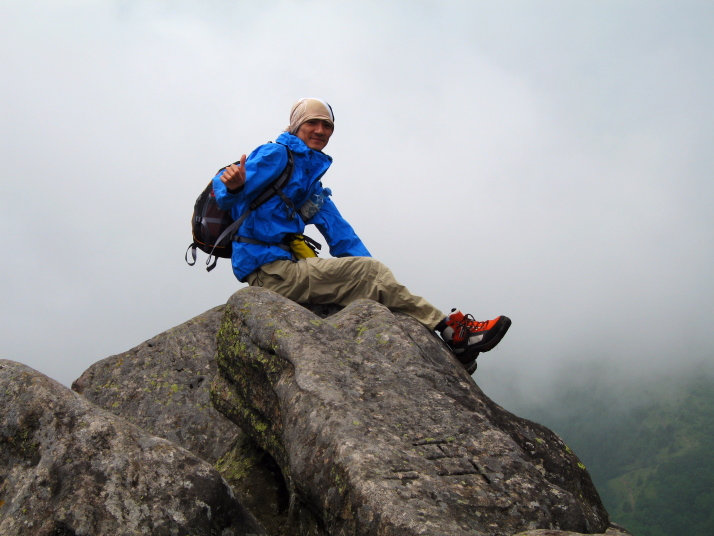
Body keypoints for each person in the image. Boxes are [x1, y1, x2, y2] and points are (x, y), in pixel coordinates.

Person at [212, 98, 510, 373]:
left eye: (326, 125)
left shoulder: (310, 181)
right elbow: (223, 185)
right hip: (268, 271)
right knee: (370, 275)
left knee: (370, 274)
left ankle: (457, 351)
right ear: (296, 126)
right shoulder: (277, 154)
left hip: (283, 267)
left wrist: (375, 277)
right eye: (311, 123)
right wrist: (235, 186)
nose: (320, 130)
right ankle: (452, 332)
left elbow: (341, 235)